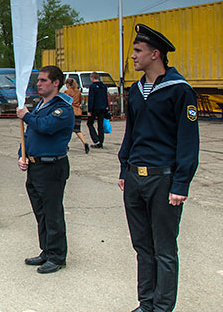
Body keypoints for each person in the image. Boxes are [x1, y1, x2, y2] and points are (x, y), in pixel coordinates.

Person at [118, 24, 199, 312]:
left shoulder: (179, 90)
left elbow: (188, 141)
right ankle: (146, 303)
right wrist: (123, 168)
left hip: (163, 180)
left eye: (138, 51)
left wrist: (181, 184)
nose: (133, 56)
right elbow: (132, 132)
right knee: (142, 247)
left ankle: (163, 308)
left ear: (155, 54)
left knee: (164, 250)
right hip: (135, 177)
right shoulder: (137, 90)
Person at [17, 66, 75, 274]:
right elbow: (30, 134)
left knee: (52, 213)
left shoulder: (62, 108)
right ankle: (47, 250)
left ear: (56, 82)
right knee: (41, 213)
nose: (38, 84)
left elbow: (46, 126)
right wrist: (21, 155)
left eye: (43, 80)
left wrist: (26, 116)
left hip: (52, 167)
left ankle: (58, 256)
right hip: (36, 166)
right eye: (38, 80)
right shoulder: (40, 106)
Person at [65, 78, 90, 153]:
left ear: (68, 84)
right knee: (77, 129)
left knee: (67, 129)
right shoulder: (78, 92)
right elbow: (80, 101)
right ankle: (85, 143)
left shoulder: (67, 92)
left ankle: (65, 145)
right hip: (78, 111)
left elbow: (65, 102)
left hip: (70, 112)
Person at [87, 71, 108, 148]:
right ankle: (101, 141)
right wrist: (106, 107)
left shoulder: (92, 87)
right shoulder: (103, 86)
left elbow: (91, 99)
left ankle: (96, 139)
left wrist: (89, 110)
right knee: (100, 125)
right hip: (102, 107)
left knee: (89, 123)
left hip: (95, 107)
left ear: (92, 78)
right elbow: (106, 97)